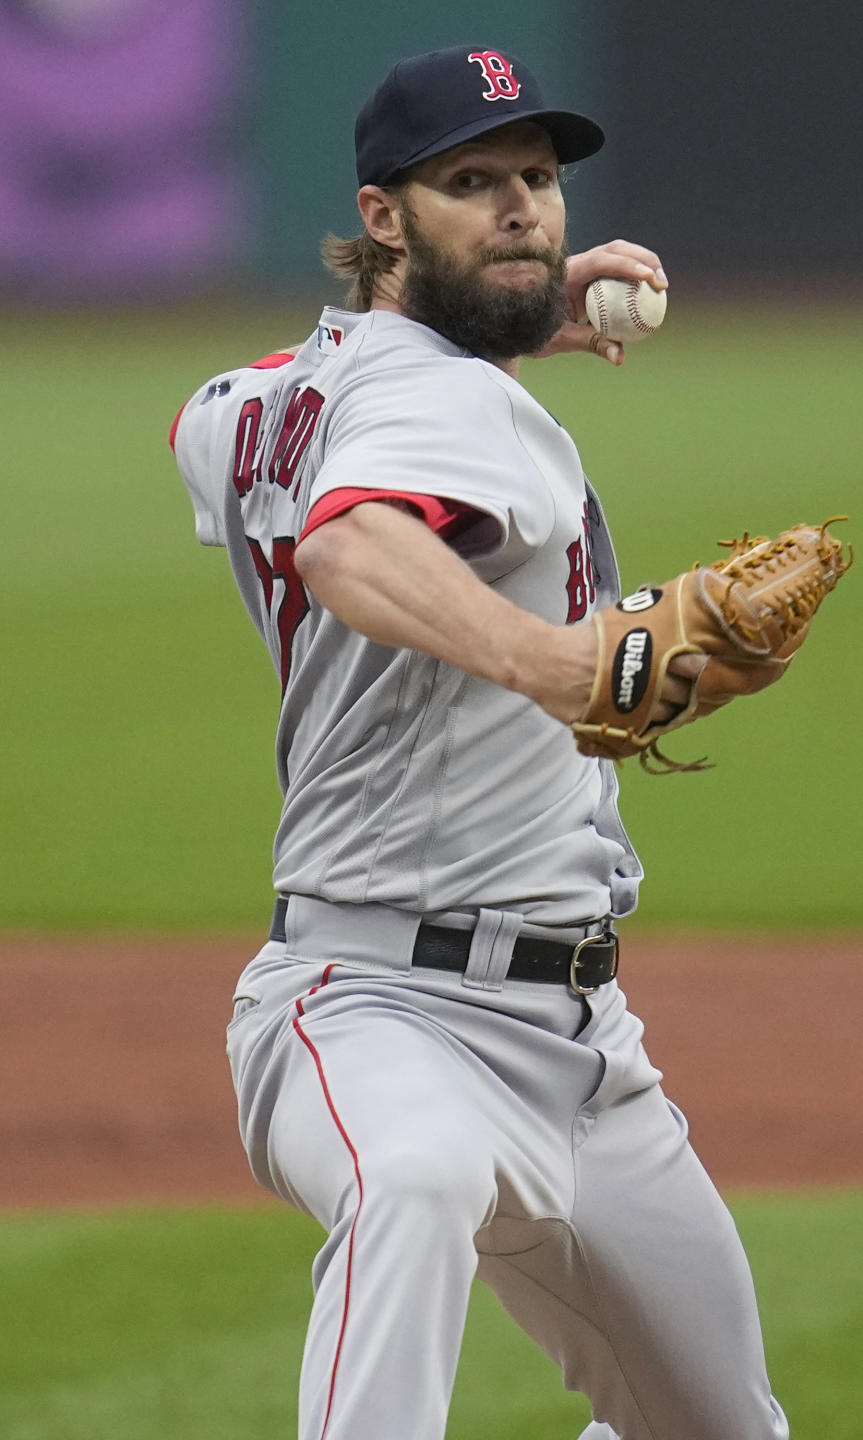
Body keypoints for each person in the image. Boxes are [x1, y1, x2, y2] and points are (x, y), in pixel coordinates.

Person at [170, 44, 789, 1440]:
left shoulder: (287, 397)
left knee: (722, 1430)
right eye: (472, 184)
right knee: (420, 1179)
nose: (522, 209)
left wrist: (494, 319)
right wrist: (560, 661)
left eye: (537, 179)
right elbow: (351, 544)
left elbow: (205, 420)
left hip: (582, 1043)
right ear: (383, 215)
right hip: (380, 1006)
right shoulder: (446, 406)